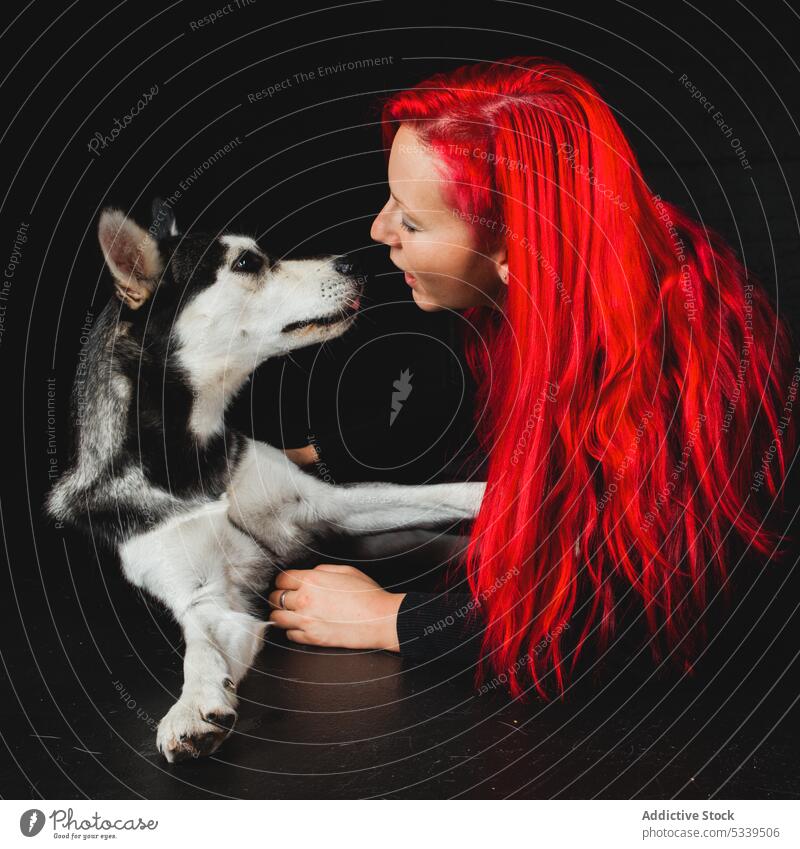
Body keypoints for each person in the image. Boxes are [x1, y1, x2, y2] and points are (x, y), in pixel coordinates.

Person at [267, 57, 796, 700]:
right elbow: (480, 449)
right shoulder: (543, 290)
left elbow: (624, 622)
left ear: (517, 249)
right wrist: (311, 460)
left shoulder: (665, 372)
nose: (379, 231)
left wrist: (393, 620)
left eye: (410, 221)